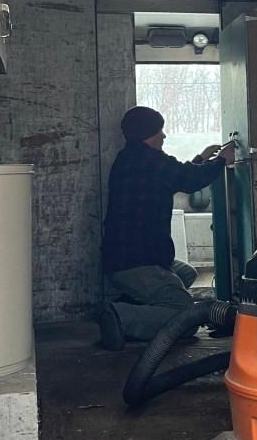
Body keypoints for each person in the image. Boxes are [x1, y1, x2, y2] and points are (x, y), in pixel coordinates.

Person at [98, 105, 235, 350]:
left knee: (186, 274)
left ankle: (133, 305)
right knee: (184, 316)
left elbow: (173, 177)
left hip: (124, 258)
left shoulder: (130, 157)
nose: (164, 135)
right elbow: (190, 180)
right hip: (136, 262)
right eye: (159, 130)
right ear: (147, 133)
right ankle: (121, 317)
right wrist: (222, 161)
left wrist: (202, 158)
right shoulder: (149, 159)